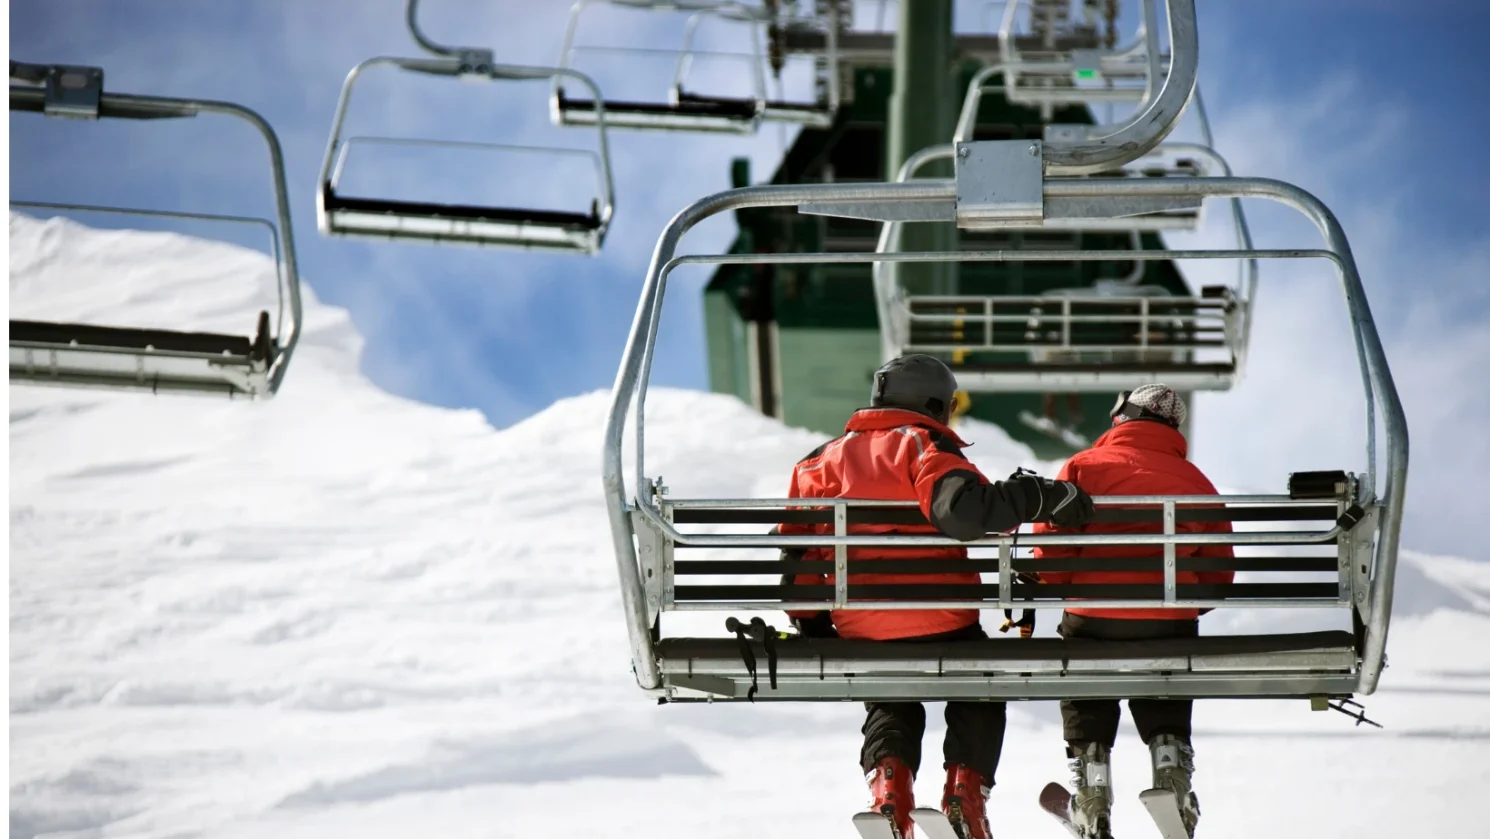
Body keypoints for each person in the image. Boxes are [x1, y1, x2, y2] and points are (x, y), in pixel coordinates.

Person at [778, 354, 1095, 839]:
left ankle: (890, 795)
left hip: (862, 627)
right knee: (981, 686)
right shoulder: (922, 445)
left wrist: (815, 624)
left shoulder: (817, 462)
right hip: (943, 618)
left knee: (889, 698)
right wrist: (1033, 496)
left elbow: (798, 557)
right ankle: (964, 796)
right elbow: (964, 513)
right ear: (933, 404)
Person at [1031, 384, 1234, 839]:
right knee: (1165, 662)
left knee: (1087, 672)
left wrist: (1070, 590)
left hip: (1093, 620)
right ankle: (1171, 771)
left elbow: (1049, 549)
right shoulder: (1195, 480)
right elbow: (1219, 568)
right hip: (1170, 623)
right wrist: (1184, 606)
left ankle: (1091, 788)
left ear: (1123, 417)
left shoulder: (1084, 466)